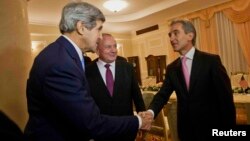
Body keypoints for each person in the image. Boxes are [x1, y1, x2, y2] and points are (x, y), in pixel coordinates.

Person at [24, 2, 151, 141]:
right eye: (98, 29)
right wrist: (139, 121)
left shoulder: (65, 55)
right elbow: (92, 124)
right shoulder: (60, 63)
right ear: (81, 27)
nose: (100, 36)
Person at [143, 19, 236, 141]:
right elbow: (162, 95)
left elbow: (226, 100)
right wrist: (150, 112)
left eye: (176, 33)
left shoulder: (211, 61)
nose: (171, 39)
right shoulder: (172, 68)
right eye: (170, 35)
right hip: (186, 130)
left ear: (190, 36)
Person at [85, 33, 146, 141]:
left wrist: (143, 121)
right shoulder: (87, 72)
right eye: (108, 47)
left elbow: (137, 97)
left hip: (127, 129)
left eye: (115, 46)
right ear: (97, 49)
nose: (114, 50)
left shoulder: (127, 67)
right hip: (101, 132)